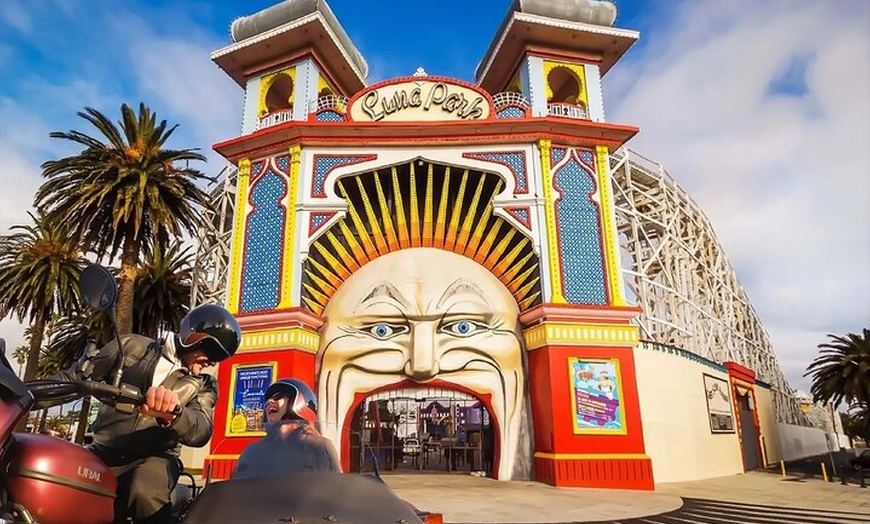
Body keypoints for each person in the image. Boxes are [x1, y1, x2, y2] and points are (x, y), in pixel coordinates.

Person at [48, 304, 241, 524]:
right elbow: (74, 379)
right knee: (51, 474)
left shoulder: (204, 385)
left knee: (145, 490)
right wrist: (19, 394)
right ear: (192, 336)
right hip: (102, 450)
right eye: (213, 350)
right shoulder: (131, 347)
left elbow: (201, 428)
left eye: (220, 357)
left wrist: (174, 414)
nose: (213, 361)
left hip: (155, 457)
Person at [232, 378, 341, 479]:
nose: (269, 401)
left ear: (298, 401)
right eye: (268, 399)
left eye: (278, 396)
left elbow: (334, 489)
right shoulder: (253, 450)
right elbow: (237, 487)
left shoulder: (319, 447)